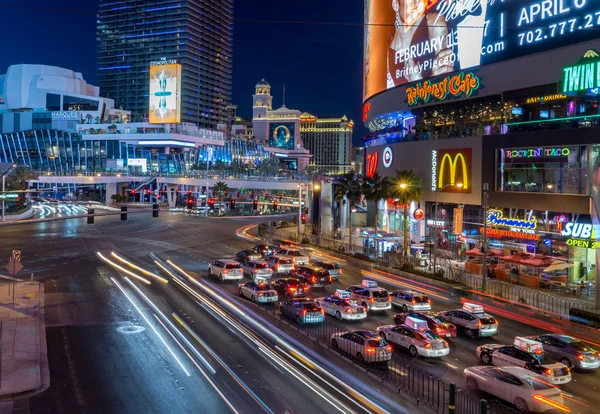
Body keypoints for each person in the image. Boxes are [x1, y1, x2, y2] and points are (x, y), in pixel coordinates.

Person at [387, 0, 454, 87]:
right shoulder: (387, 52)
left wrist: (419, 84)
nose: (417, 1)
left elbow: (447, 88)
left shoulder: (433, 23)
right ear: (396, 5)